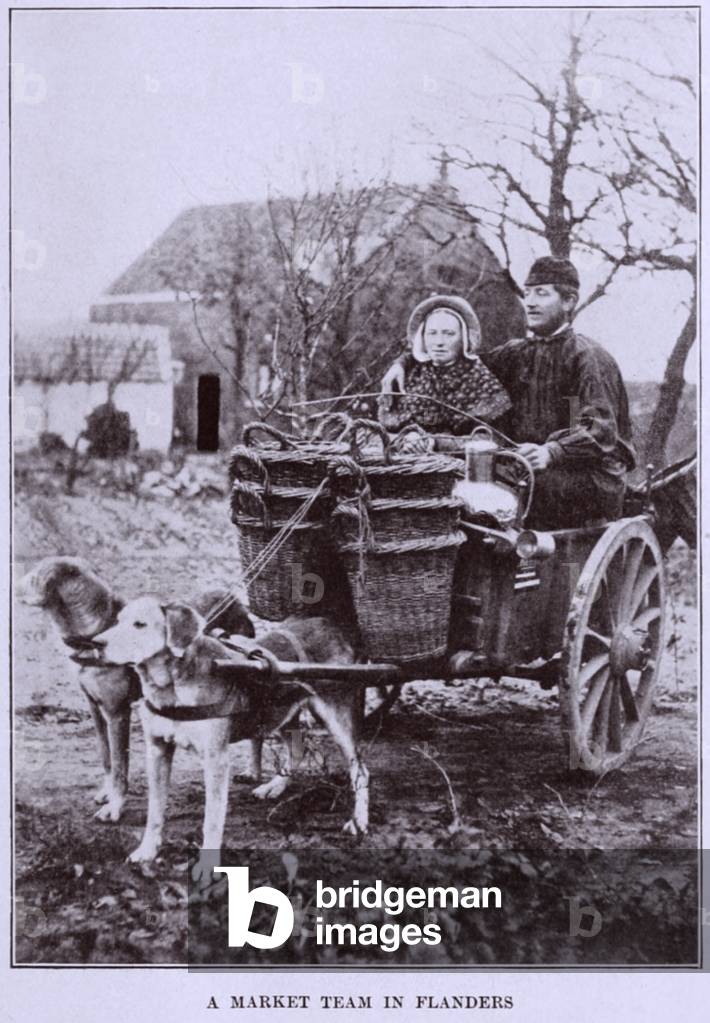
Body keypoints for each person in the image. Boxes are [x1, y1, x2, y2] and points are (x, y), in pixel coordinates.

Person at [382, 258, 635, 529]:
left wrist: (554, 451)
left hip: (588, 476)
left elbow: (601, 430)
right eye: (527, 294)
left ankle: (501, 560)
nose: (530, 302)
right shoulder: (516, 353)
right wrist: (403, 362)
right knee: (462, 486)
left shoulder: (588, 358)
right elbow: (461, 359)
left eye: (542, 293)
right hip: (525, 465)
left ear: (569, 301)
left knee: (500, 494)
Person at [377, 294, 510, 449]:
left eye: (449, 334)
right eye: (432, 333)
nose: (439, 342)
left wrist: (435, 443)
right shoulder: (409, 374)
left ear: (464, 338)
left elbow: (492, 441)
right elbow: (382, 433)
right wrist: (405, 440)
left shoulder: (480, 378)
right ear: (423, 338)